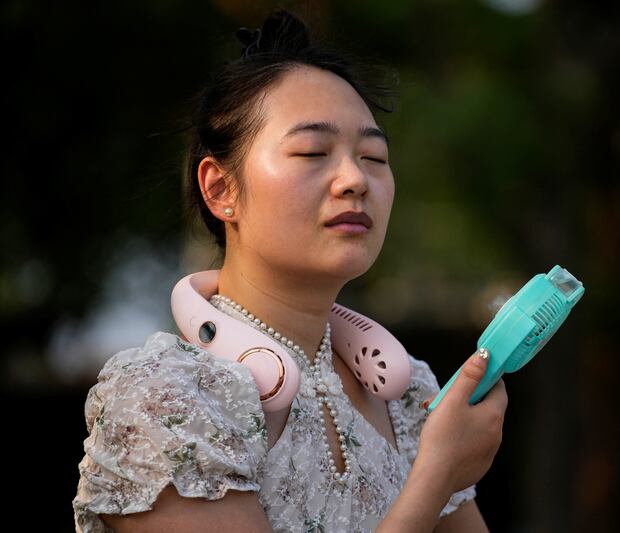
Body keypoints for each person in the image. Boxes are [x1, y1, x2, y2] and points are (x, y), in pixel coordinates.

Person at [72, 9, 507, 533]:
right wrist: (436, 475)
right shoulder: (166, 397)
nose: (354, 180)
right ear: (220, 189)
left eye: (373, 156)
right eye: (312, 151)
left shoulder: (410, 394)